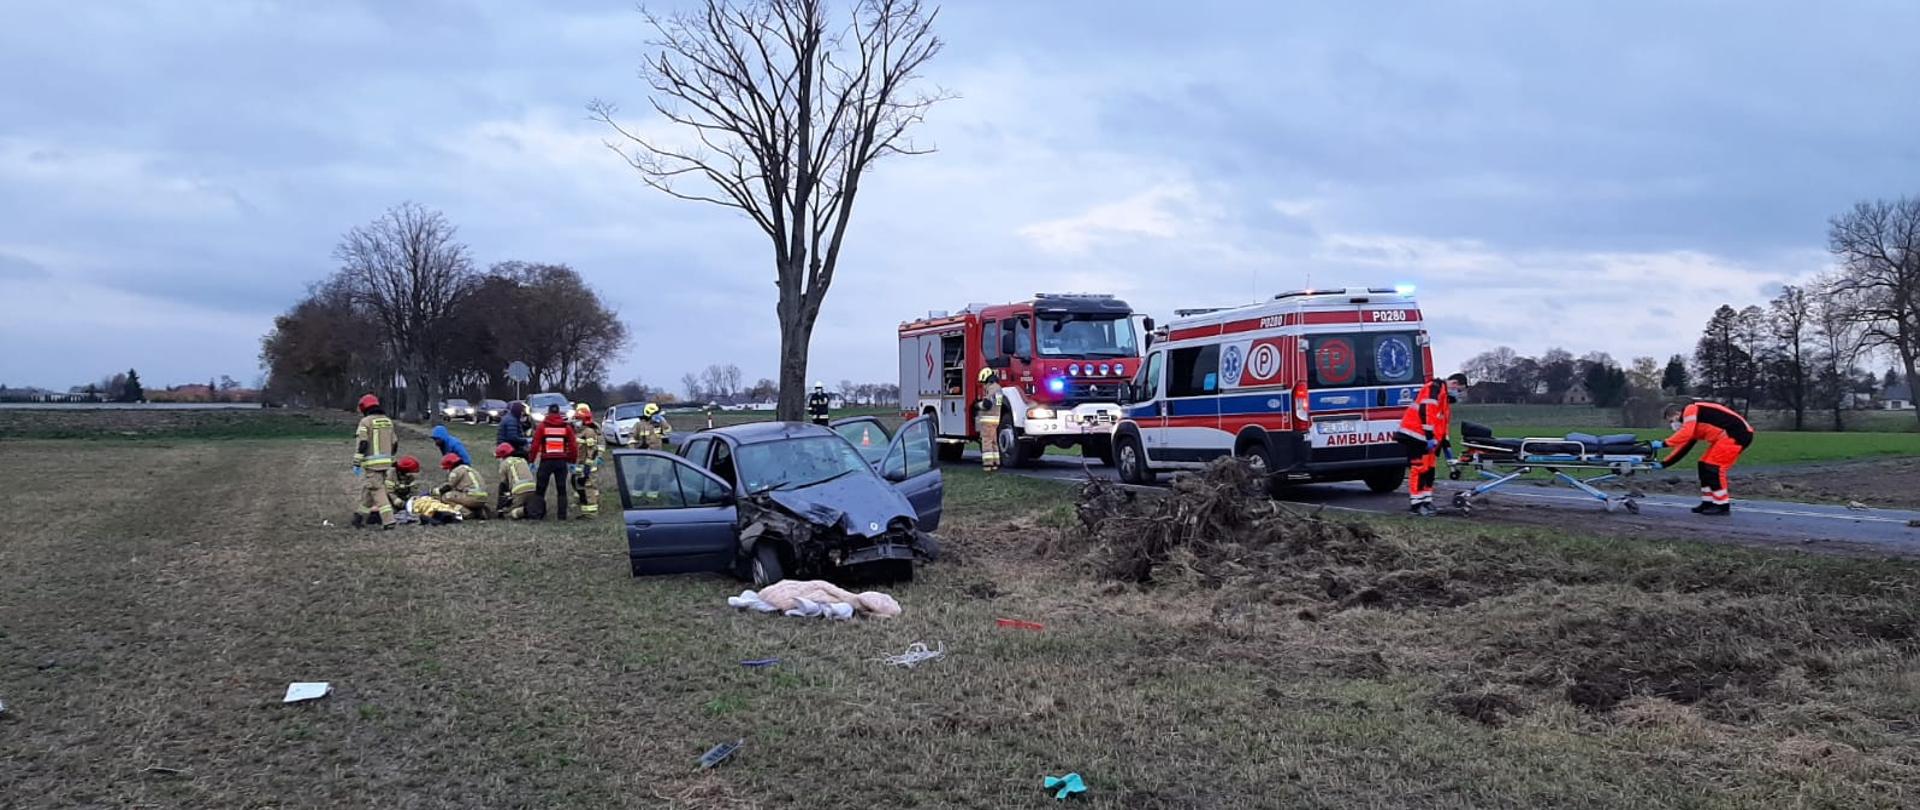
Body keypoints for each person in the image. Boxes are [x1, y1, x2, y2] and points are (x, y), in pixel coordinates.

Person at [1658, 400, 1754, 515]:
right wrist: (1664, 463)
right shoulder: (1693, 423)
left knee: (1713, 467)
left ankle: (1722, 505)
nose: (1673, 425)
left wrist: (1664, 443)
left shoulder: (1690, 410)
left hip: (1736, 434)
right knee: (1703, 465)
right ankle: (1708, 501)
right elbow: (1683, 447)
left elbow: (1685, 433)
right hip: (1728, 435)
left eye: (1672, 421)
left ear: (1678, 414)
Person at [1395, 373, 1470, 516]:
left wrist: (1447, 448)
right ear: (1454, 383)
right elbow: (1426, 412)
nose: (1458, 394)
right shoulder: (1433, 388)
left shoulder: (1443, 399)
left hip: (1428, 439)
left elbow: (1442, 425)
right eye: (1459, 390)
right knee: (1419, 469)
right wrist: (1430, 436)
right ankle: (1416, 504)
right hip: (1415, 435)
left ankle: (1426, 501)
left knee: (1429, 470)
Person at [351, 393, 399, 529]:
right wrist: (389, 457)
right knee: (369, 490)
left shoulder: (365, 422)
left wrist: (357, 461)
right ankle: (359, 516)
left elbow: (363, 443)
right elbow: (395, 443)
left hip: (372, 464)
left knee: (377, 490)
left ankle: (389, 521)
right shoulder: (388, 421)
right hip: (386, 462)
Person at [530, 404, 579, 520]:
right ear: (559, 413)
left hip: (546, 461)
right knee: (561, 489)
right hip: (561, 462)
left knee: (540, 489)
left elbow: (535, 445)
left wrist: (531, 460)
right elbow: (573, 446)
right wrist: (572, 461)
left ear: (548, 413)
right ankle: (562, 516)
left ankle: (538, 514)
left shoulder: (542, 427)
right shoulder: (566, 427)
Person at [435, 452, 492, 520]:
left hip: (471, 497)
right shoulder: (470, 469)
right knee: (460, 495)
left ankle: (466, 512)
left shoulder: (456, 471)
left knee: (446, 497)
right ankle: (479, 510)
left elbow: (447, 487)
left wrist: (435, 492)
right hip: (483, 497)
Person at [571, 403, 603, 518]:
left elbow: (592, 450)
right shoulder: (580, 431)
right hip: (580, 465)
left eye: (578, 419)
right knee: (580, 487)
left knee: (589, 488)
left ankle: (592, 513)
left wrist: (587, 467)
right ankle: (585, 512)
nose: (575, 421)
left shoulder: (589, 431)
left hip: (587, 466)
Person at [494, 442, 538, 519]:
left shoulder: (504, 464)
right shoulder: (522, 460)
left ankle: (523, 511)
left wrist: (500, 507)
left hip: (519, 490)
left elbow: (503, 485)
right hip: (533, 488)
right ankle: (532, 508)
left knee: (507, 513)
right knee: (527, 502)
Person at [975, 368, 1002, 472]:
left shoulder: (992, 389)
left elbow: (987, 404)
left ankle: (988, 464)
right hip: (995, 419)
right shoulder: (998, 388)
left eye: (984, 383)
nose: (983, 385)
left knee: (986, 441)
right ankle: (995, 463)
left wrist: (977, 405)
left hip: (988, 419)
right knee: (994, 442)